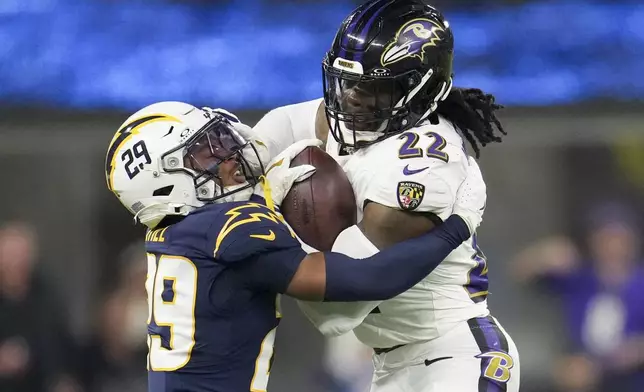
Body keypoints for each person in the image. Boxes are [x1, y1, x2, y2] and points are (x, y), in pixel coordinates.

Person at [105, 101, 485, 392]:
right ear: (165, 183)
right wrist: (456, 226)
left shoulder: (171, 233)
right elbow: (367, 280)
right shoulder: (229, 229)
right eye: (206, 153)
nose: (227, 154)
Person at [241, 1, 520, 391]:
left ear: (420, 90)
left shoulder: (422, 166)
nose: (353, 97)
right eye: (348, 82)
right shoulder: (366, 117)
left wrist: (267, 212)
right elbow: (283, 125)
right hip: (391, 364)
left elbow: (336, 313)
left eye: (374, 88)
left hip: (454, 356)